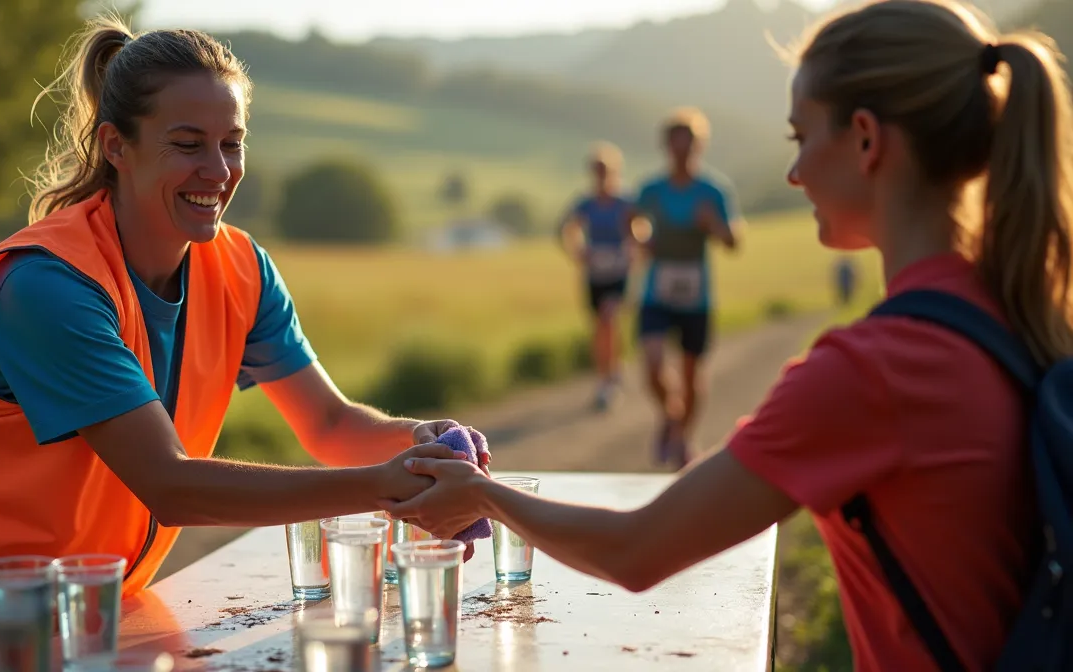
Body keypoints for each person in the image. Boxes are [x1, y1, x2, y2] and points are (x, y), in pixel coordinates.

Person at [385, 1, 1066, 669]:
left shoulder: (875, 370)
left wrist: (481, 495)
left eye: (801, 138)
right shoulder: (1022, 311)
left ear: (866, 138)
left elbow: (636, 550)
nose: (795, 174)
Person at [0, 17, 479, 672]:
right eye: (188, 144)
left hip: (76, 597)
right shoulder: (47, 285)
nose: (219, 170)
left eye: (233, 143)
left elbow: (331, 421)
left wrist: (419, 442)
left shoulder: (241, 268)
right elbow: (170, 484)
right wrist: (385, 489)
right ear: (116, 146)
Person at [630, 107, 743, 469]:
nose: (682, 149)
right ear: (666, 146)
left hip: (697, 295)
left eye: (689, 143)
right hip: (656, 293)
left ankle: (683, 437)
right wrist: (641, 239)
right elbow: (629, 220)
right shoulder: (652, 189)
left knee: (693, 373)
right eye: (675, 142)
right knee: (651, 365)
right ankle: (672, 416)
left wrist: (713, 225)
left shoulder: (713, 190)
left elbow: (733, 241)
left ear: (699, 146)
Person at [558, 142, 637, 411]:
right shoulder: (586, 203)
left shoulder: (625, 202)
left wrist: (633, 251)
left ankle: (608, 379)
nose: (601, 176)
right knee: (600, 327)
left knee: (609, 318)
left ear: (615, 171)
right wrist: (577, 251)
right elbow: (565, 228)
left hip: (619, 272)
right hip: (594, 275)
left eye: (605, 171)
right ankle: (609, 372)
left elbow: (639, 232)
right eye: (597, 171)